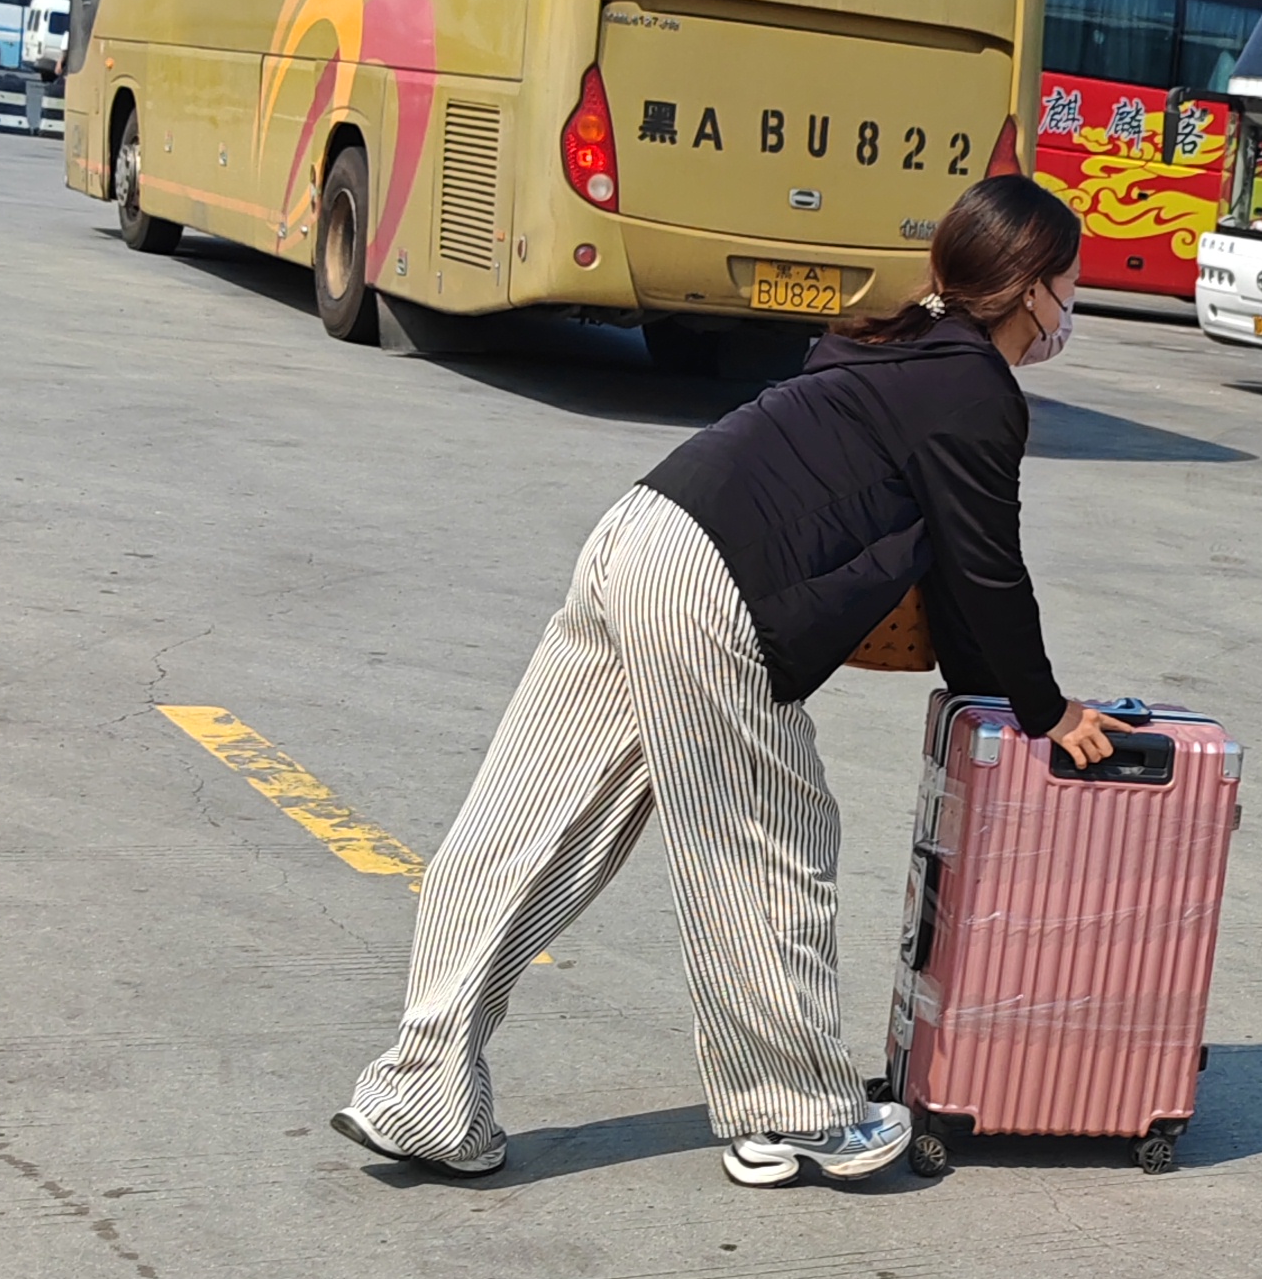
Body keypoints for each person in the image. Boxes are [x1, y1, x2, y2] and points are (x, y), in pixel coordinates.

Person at [336, 178, 1115, 1192]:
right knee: (770, 836)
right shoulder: (974, 389)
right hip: (711, 587)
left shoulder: (895, 344)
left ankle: (419, 1087)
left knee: (529, 818)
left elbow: (953, 586)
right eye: (1068, 283)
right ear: (1028, 292)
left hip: (641, 530)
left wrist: (988, 703)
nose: (1071, 306)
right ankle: (794, 1111)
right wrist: (1047, 713)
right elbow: (985, 573)